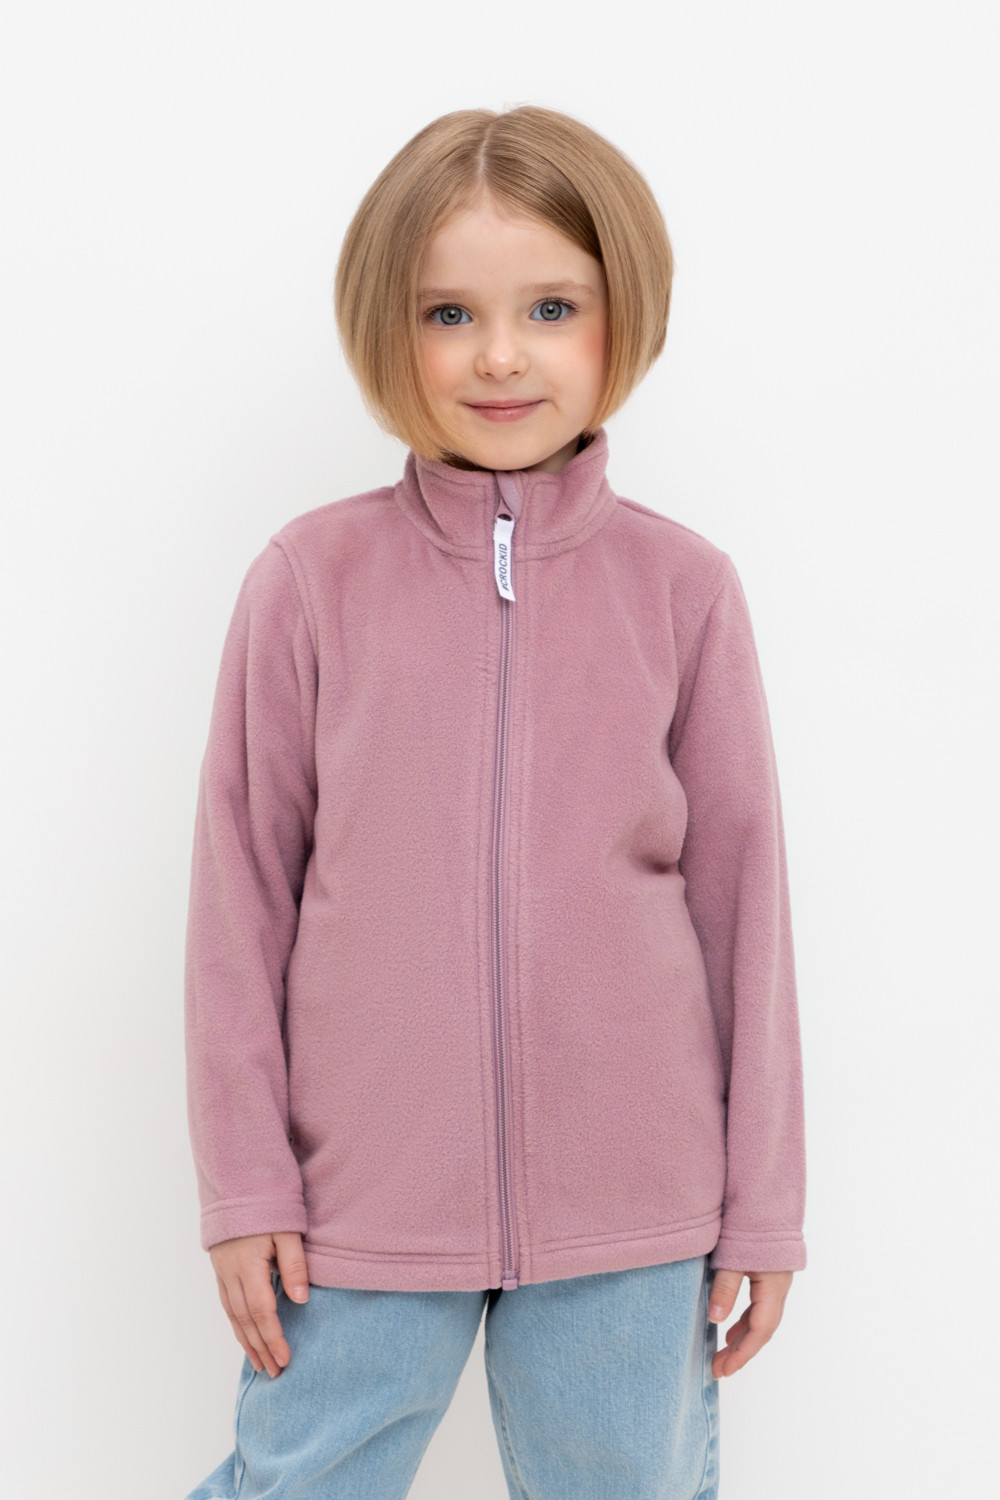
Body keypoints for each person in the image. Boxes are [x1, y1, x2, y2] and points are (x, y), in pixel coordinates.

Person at [182, 104, 807, 1500]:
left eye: (551, 307)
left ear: (622, 315)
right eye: (450, 312)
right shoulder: (310, 583)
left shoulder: (684, 591)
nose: (501, 354)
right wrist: (246, 1182)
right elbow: (239, 901)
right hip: (356, 1201)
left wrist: (763, 1198)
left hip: (634, 1202)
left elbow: (745, 908)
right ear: (385, 327)